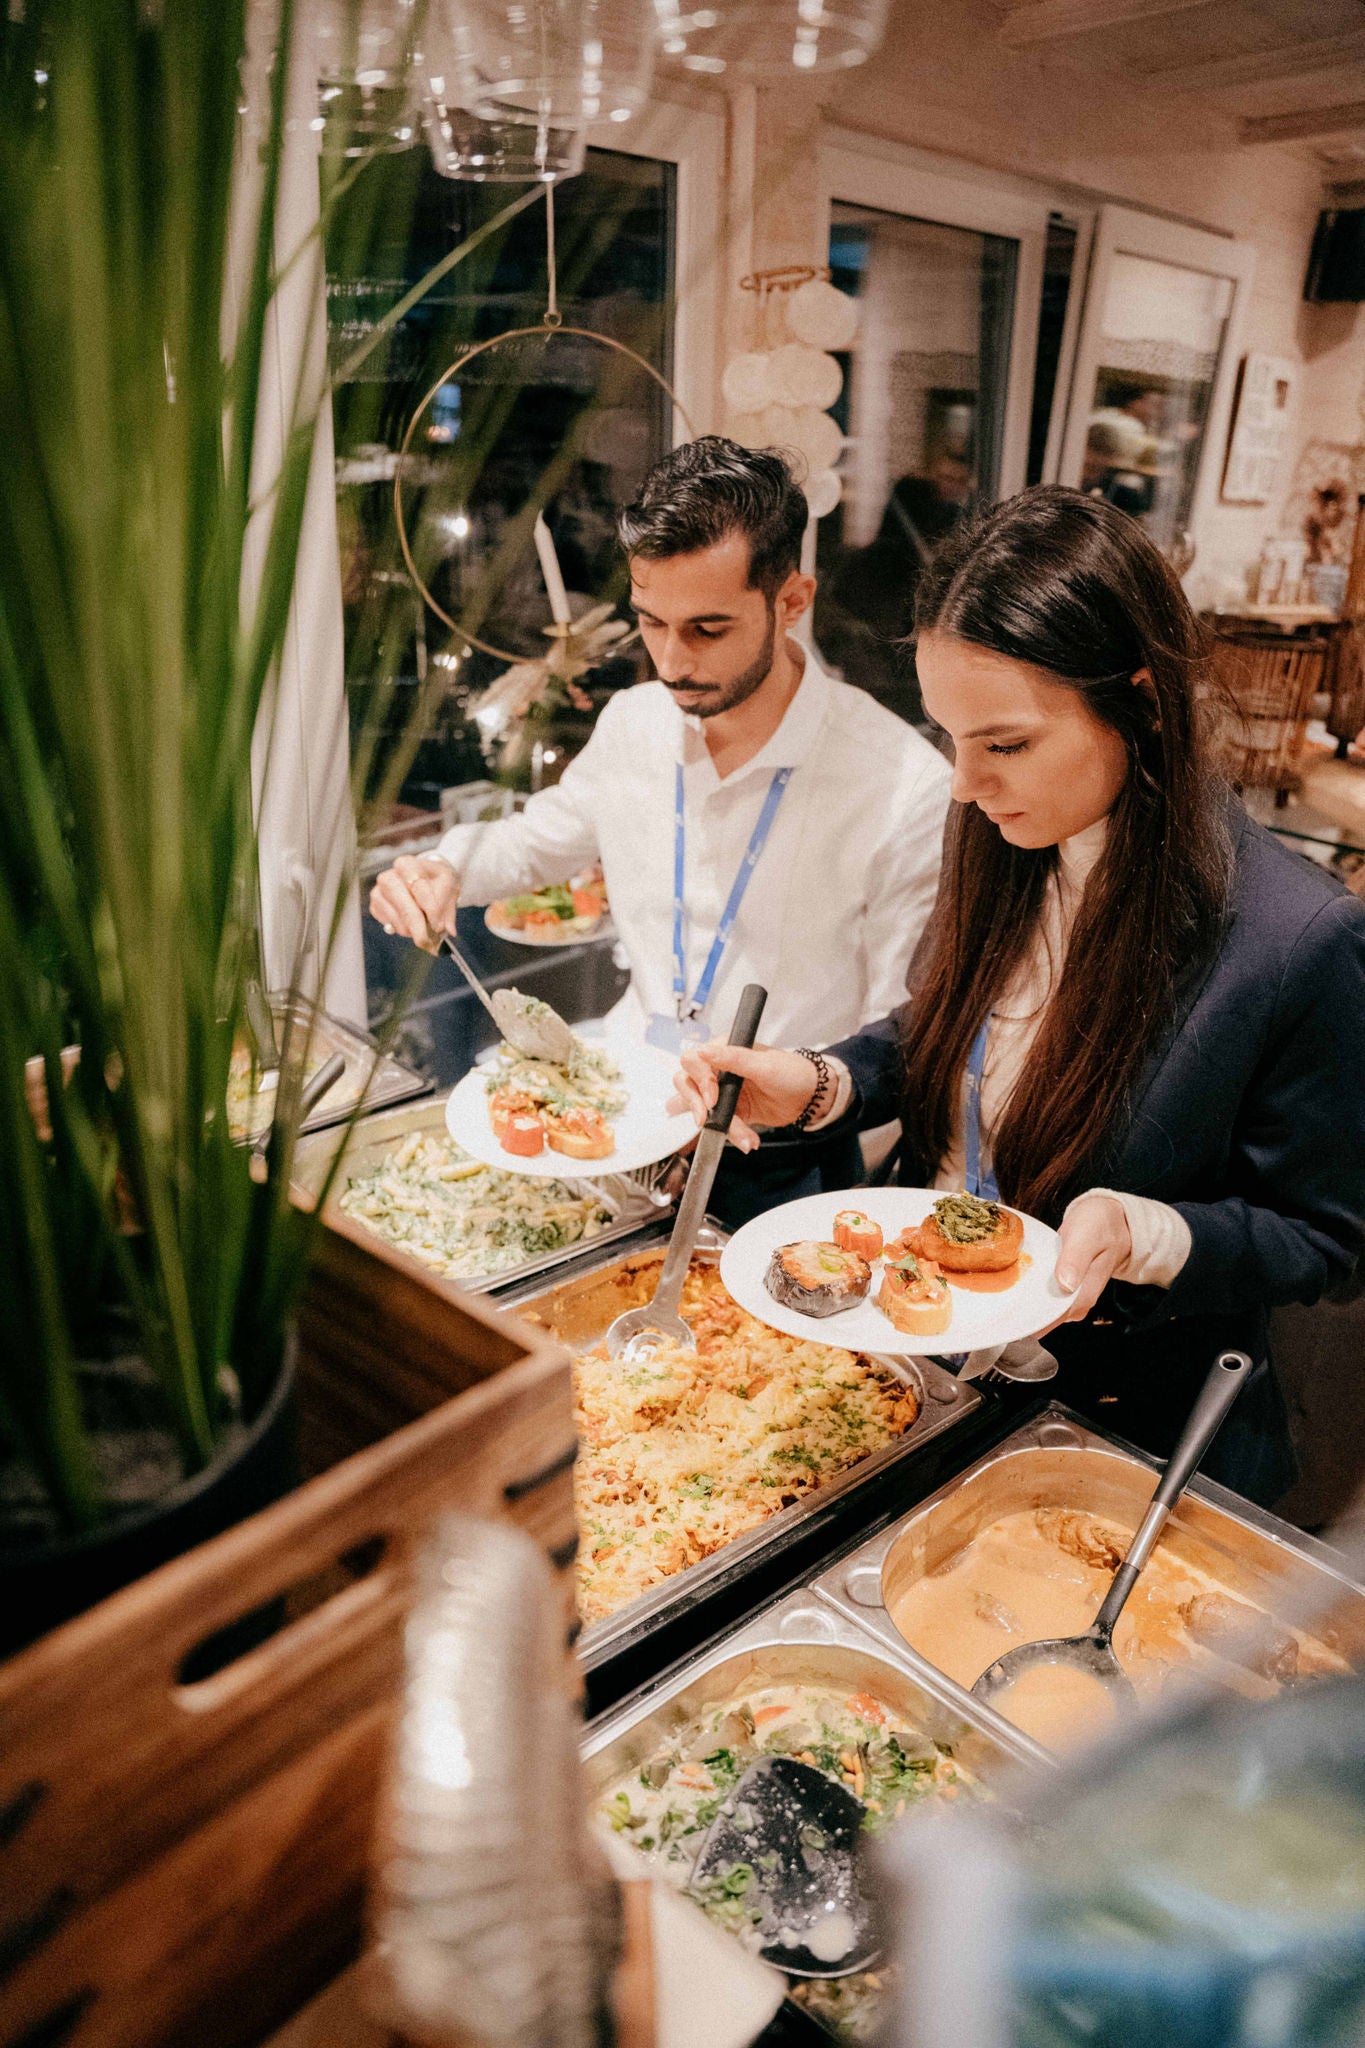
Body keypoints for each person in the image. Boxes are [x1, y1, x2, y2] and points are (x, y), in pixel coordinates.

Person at [672, 486, 1365, 1503]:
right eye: (952, 737)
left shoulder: (1295, 937)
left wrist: (1151, 1230)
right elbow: (948, 1030)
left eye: (1004, 742)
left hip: (1123, 1427)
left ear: (1140, 697)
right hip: (926, 1368)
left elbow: (1326, 1240)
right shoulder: (1002, 832)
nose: (965, 782)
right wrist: (821, 1083)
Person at [369, 436, 952, 1224]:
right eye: (652, 623)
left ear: (791, 601)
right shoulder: (635, 722)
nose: (672, 661)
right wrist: (440, 867)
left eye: (707, 629)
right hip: (622, 1115)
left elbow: (902, 1033)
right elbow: (538, 838)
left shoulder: (903, 787)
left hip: (775, 1154)